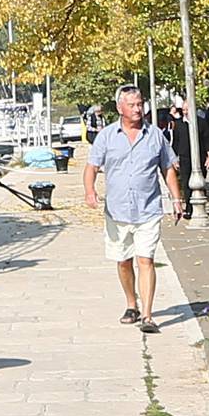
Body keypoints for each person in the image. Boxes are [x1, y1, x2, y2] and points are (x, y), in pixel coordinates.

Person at [83, 79, 184, 332]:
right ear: (120, 108)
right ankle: (132, 303)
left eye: (140, 104)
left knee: (145, 259)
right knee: (123, 260)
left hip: (148, 209)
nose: (138, 109)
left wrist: (176, 198)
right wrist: (89, 191)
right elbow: (92, 166)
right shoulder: (106, 136)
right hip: (117, 211)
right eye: (132, 105)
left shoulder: (156, 136)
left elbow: (168, 169)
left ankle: (148, 316)